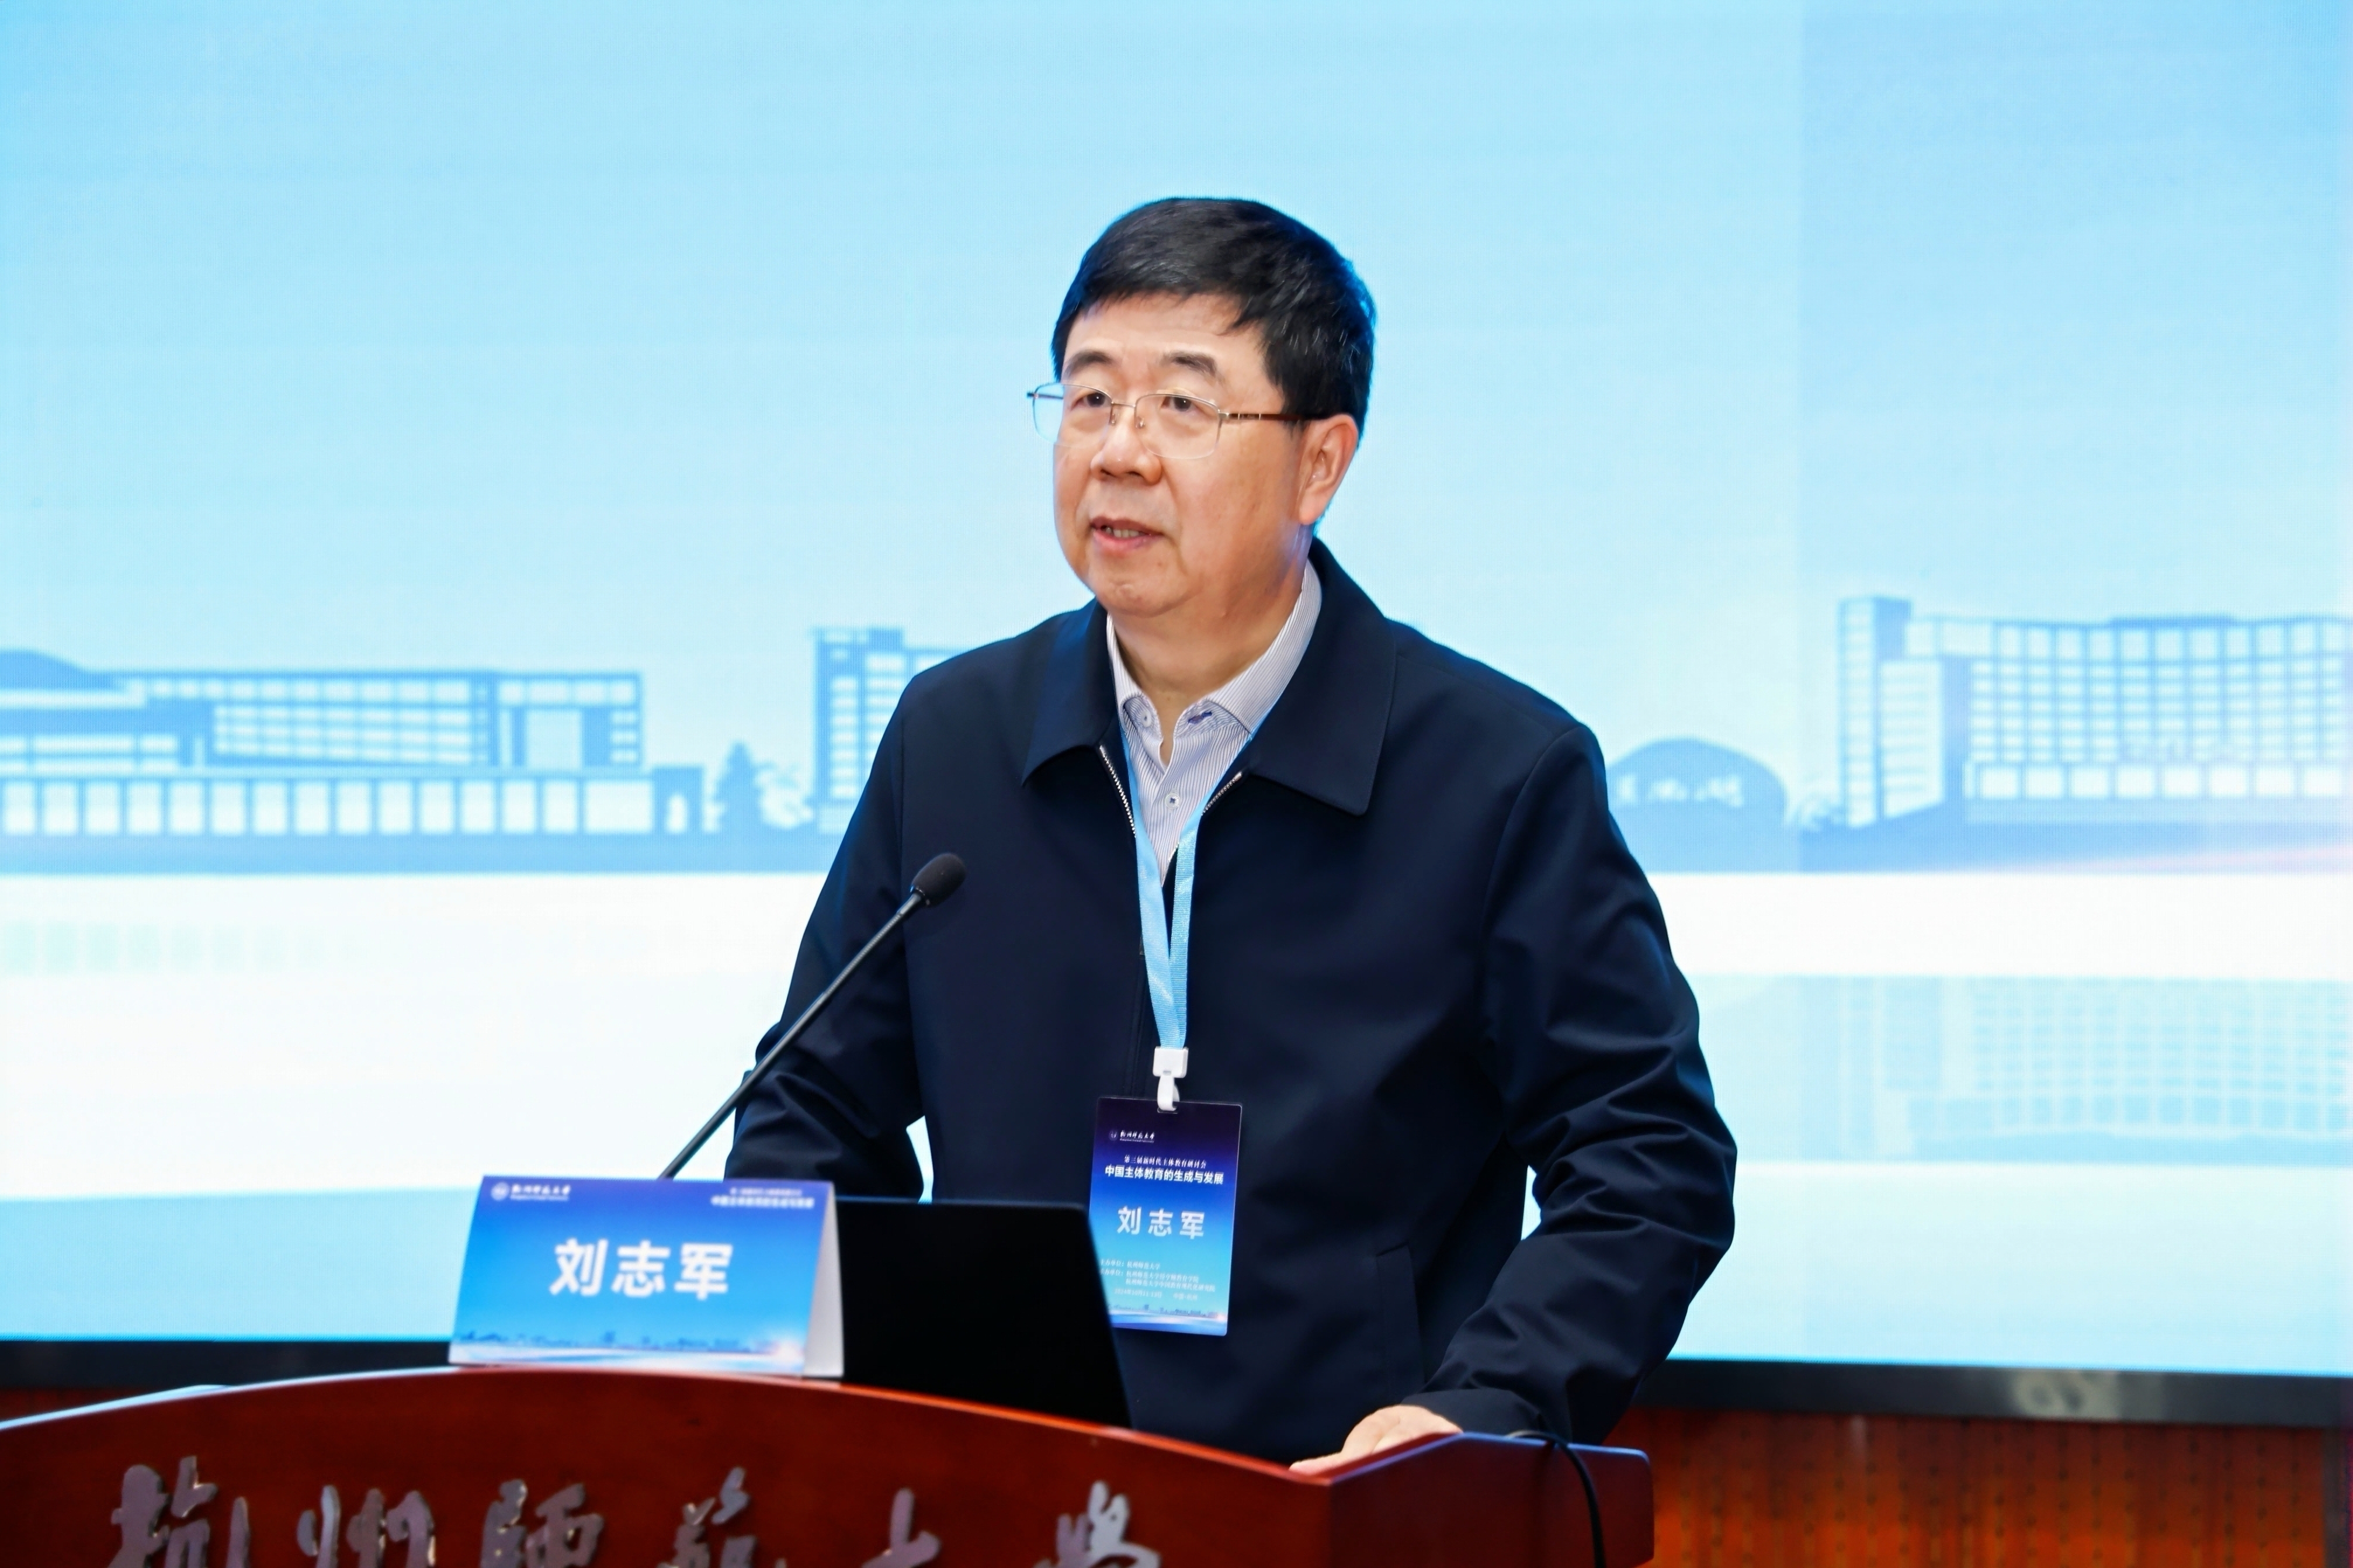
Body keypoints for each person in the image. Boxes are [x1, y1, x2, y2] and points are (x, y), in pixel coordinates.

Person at [728, 197, 1736, 1469]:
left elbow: (1647, 1158)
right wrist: (840, 1382)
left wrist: (1476, 1411)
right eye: (1090, 397)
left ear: (1321, 462)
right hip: (1007, 1497)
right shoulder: (957, 737)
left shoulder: (1494, 772)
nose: (1120, 452)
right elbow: (813, 1110)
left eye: (1182, 405)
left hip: (1335, 1502)